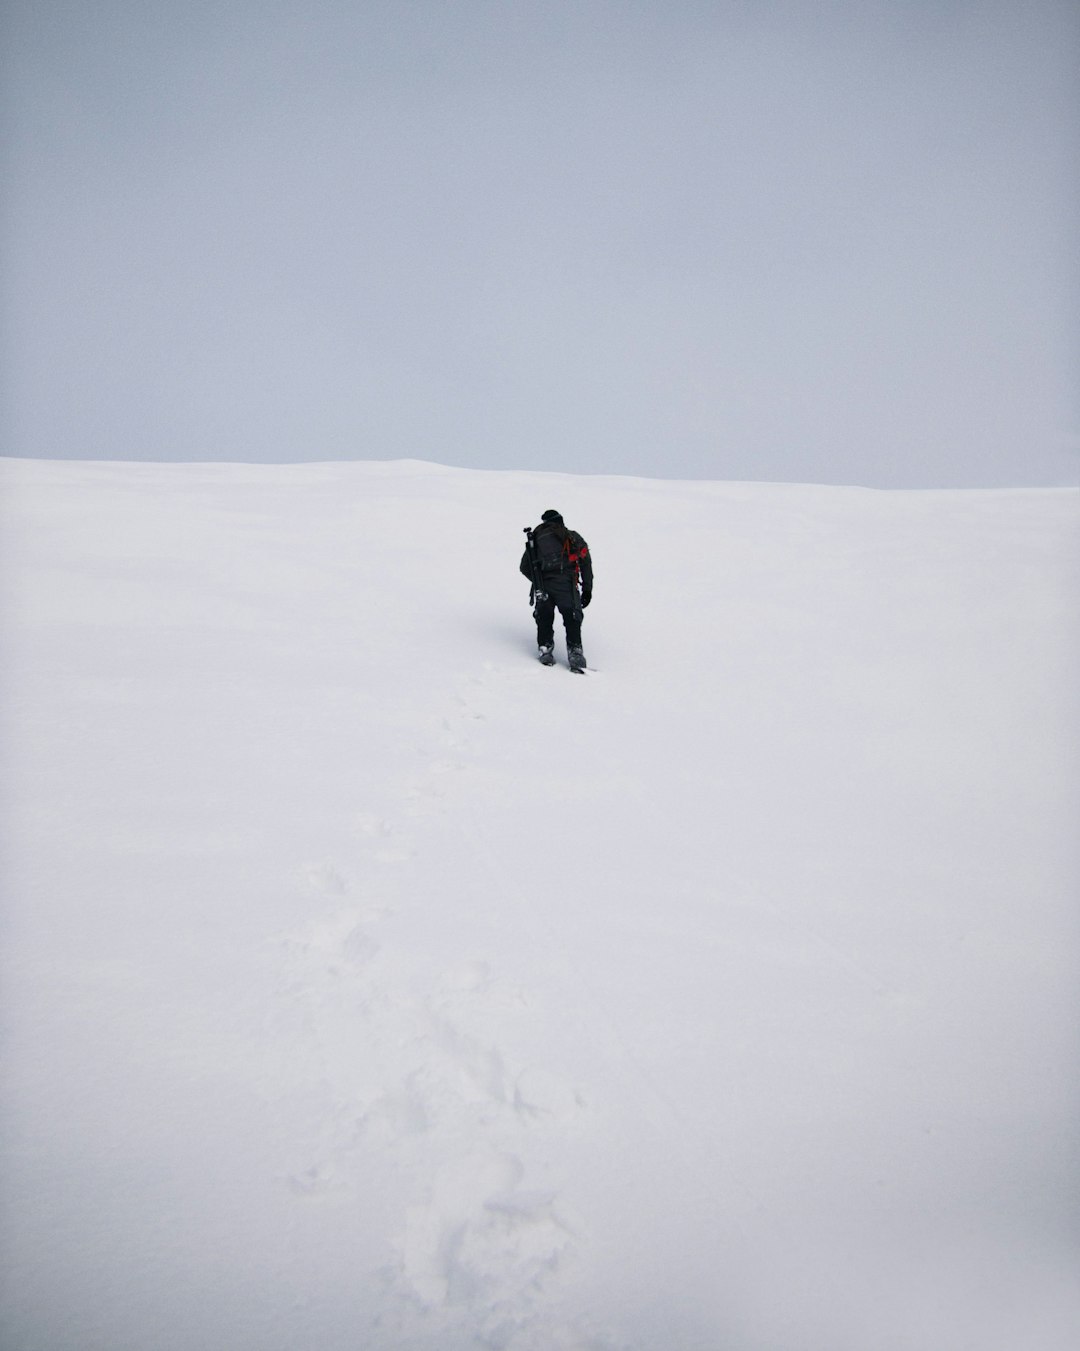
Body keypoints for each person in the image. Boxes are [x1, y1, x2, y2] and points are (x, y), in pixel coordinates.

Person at [520, 509, 593, 671]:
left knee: (544, 616)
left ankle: (545, 649)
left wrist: (539, 579)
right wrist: (587, 588)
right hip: (566, 585)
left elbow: (524, 567)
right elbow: (585, 561)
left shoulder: (536, 539)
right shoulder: (571, 536)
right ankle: (575, 654)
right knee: (571, 617)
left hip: (543, 585)